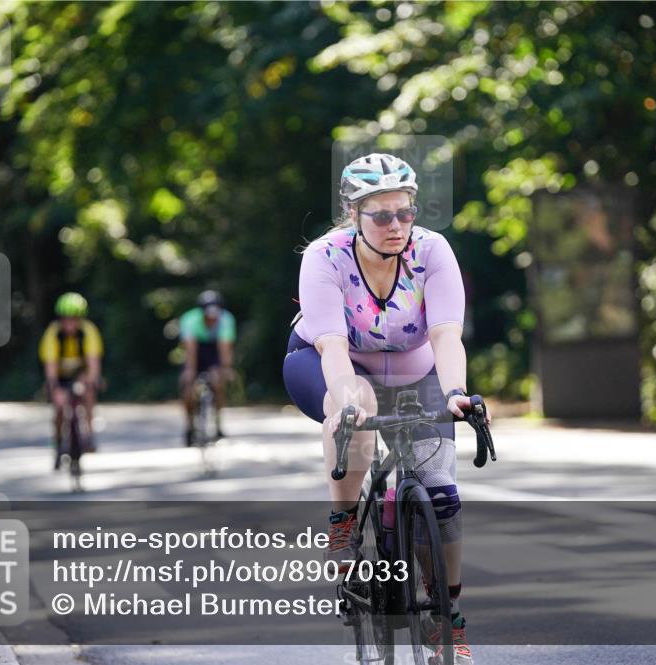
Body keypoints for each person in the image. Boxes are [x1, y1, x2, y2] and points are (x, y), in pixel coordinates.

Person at [282, 153, 488, 664]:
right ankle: (344, 520)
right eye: (381, 215)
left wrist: (457, 391)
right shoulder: (325, 257)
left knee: (441, 497)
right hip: (331, 362)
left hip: (418, 369)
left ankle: (448, 615)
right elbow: (331, 347)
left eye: (405, 212)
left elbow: (446, 334)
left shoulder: (433, 250)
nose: (396, 225)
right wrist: (349, 402)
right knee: (358, 410)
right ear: (353, 215)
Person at [38, 293, 103, 468]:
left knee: (88, 393)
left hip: (80, 373)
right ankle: (59, 442)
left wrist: (91, 380)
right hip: (60, 375)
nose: (70, 324)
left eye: (74, 319)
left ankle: (89, 434)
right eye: (66, 320)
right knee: (59, 406)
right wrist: (54, 387)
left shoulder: (88, 332)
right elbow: (50, 368)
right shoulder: (53, 334)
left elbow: (93, 364)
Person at [178, 290, 236, 443]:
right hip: (196, 350)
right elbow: (191, 350)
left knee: (218, 382)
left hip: (213, 350)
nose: (212, 320)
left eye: (214, 317)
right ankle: (189, 427)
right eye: (208, 317)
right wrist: (190, 371)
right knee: (188, 388)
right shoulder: (190, 320)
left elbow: (224, 348)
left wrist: (226, 368)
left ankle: (218, 424)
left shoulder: (226, 320)